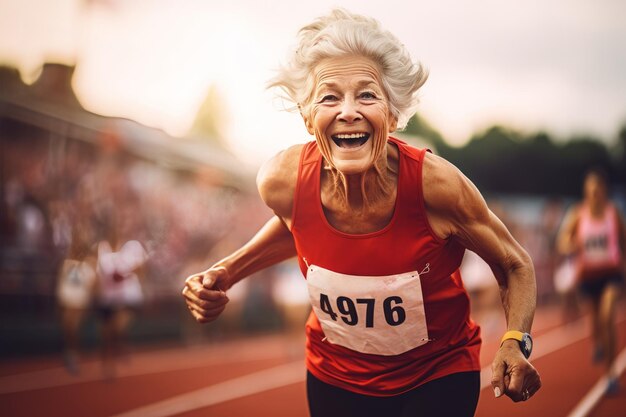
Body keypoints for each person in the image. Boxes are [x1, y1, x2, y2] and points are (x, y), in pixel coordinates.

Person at [182, 9, 541, 416]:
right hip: (334, 378)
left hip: (436, 375)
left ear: (392, 115)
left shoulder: (436, 187)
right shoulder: (281, 181)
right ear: (307, 117)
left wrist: (515, 339)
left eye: (367, 95)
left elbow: (515, 264)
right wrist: (225, 273)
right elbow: (296, 227)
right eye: (329, 96)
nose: (348, 111)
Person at [557, 168, 626, 394]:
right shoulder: (578, 214)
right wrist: (571, 245)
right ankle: (597, 342)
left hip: (610, 274)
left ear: (604, 190)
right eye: (591, 190)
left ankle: (610, 374)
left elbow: (623, 241)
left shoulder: (613, 213)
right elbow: (562, 242)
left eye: (598, 189)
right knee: (595, 322)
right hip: (588, 276)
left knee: (607, 317)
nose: (595, 193)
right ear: (586, 191)